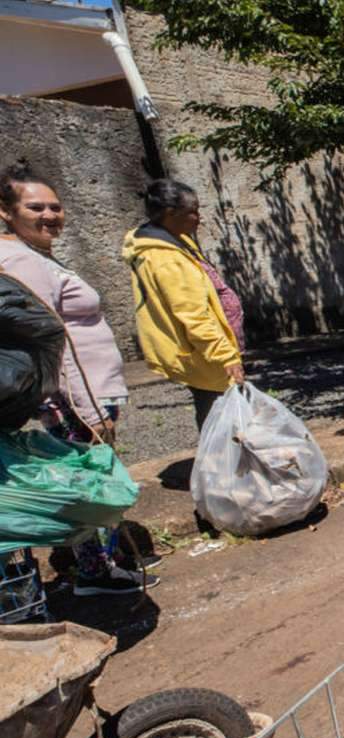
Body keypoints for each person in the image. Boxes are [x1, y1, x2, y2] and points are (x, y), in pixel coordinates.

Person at [0, 161, 156, 596]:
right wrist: (88, 411)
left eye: (55, 206)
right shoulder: (18, 260)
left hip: (85, 395)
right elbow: (51, 340)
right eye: (36, 207)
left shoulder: (36, 255)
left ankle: (104, 562)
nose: (50, 215)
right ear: (6, 212)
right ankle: (95, 572)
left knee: (93, 480)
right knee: (90, 486)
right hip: (76, 399)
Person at [123, 179, 244, 431]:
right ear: (170, 214)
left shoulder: (175, 239)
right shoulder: (166, 258)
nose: (198, 218)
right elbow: (192, 314)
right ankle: (220, 465)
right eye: (193, 211)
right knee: (217, 411)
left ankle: (227, 462)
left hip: (210, 347)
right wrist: (225, 355)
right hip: (206, 350)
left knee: (219, 407)